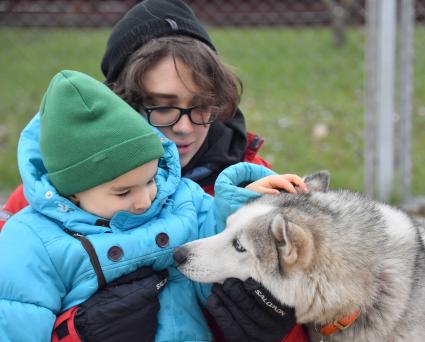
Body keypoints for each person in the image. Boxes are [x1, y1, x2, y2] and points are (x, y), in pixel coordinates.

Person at [0, 0, 309, 341]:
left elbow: (332, 308)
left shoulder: (255, 186)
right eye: (163, 107)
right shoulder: (44, 203)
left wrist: (284, 324)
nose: (186, 129)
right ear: (122, 102)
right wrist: (76, 331)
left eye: (202, 106)